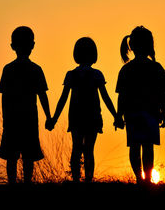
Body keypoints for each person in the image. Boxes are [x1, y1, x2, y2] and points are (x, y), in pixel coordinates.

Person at [47, 37, 120, 182]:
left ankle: (75, 180)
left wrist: (53, 118)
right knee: (89, 150)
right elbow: (105, 97)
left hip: (76, 117)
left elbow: (63, 99)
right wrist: (116, 115)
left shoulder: (71, 75)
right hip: (93, 117)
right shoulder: (97, 74)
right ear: (94, 54)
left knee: (76, 148)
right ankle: (88, 180)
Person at [116, 26, 165, 184]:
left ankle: (139, 178)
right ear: (150, 46)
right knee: (148, 147)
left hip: (132, 113)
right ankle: (147, 179)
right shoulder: (157, 68)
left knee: (134, 147)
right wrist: (164, 113)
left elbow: (122, 96)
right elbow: (163, 94)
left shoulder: (126, 69)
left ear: (131, 46)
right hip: (152, 113)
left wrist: (119, 115)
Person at [0, 26, 52, 184]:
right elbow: (42, 95)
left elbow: (4, 97)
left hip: (12, 119)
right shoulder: (36, 69)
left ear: (13, 46)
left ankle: (12, 184)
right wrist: (48, 117)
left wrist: (5, 117)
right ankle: (27, 183)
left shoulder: (8, 69)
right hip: (29, 119)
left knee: (11, 156)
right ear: (33, 45)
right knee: (29, 156)